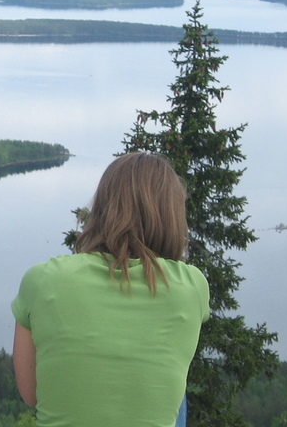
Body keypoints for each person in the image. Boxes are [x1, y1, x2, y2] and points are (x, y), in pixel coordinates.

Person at [11, 152, 210, 427]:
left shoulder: (42, 279)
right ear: (172, 216)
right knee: (174, 396)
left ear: (103, 207)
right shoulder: (192, 287)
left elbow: (33, 395)